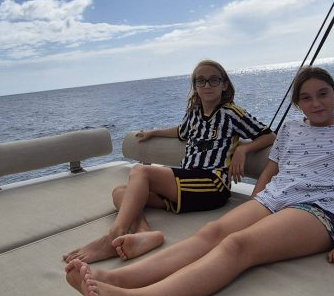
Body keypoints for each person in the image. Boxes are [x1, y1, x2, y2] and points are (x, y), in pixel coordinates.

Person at [65, 66, 334, 296]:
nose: (316, 102)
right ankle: (113, 279)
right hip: (274, 199)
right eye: (306, 98)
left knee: (237, 245)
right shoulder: (292, 130)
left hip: (321, 210)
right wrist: (258, 199)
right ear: (298, 104)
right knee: (210, 233)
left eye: (323, 94)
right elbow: (270, 170)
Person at [62, 59, 274, 264]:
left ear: (224, 84)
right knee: (120, 192)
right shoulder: (195, 114)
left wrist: (244, 150)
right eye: (201, 81)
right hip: (187, 185)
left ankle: (114, 235)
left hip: (212, 184)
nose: (207, 85)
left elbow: (269, 135)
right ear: (195, 87)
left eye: (214, 80)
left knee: (141, 172)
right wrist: (154, 132)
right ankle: (145, 234)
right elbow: (181, 132)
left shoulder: (232, 113)